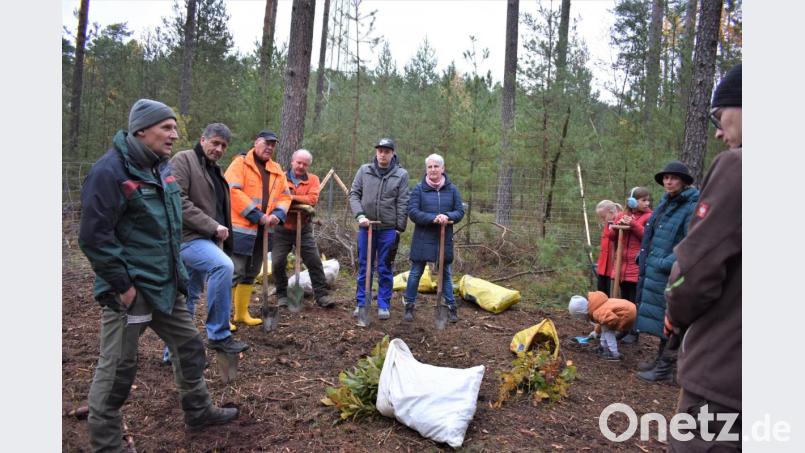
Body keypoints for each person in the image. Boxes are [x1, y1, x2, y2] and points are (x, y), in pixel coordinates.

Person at [79, 99, 237, 451]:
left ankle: (198, 411)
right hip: (131, 288)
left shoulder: (160, 169)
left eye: (174, 128)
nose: (174, 134)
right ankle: (108, 445)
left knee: (189, 345)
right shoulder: (110, 172)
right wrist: (123, 286)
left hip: (165, 284)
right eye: (166, 128)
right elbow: (94, 237)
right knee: (118, 369)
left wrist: (178, 275)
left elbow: (171, 226)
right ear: (140, 130)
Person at [664, 63, 741, 452]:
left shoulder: (740, 166)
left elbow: (691, 274)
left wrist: (675, 316)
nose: (717, 130)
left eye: (720, 115)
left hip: (726, 377)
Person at [160, 123, 248, 364]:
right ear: (203, 140)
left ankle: (175, 354)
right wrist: (213, 226)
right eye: (215, 143)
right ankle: (219, 334)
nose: (219, 149)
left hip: (205, 239)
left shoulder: (214, 169)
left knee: (187, 297)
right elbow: (178, 200)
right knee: (223, 266)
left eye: (223, 146)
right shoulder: (183, 160)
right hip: (186, 239)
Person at [634, 160, 699, 382]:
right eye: (665, 178)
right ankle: (660, 361)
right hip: (655, 268)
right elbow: (652, 234)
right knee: (664, 317)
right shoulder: (666, 202)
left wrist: (666, 262)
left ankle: (666, 369)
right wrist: (644, 256)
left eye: (673, 178)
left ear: (683, 181)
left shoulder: (691, 205)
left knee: (672, 317)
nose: (668, 181)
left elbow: (691, 241)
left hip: (671, 272)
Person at [224, 130, 292, 327]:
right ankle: (223, 317)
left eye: (273, 144)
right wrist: (257, 215)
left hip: (265, 231)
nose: (270, 147)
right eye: (266, 143)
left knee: (252, 271)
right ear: (256, 142)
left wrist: (277, 215)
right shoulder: (240, 163)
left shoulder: (277, 169)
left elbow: (285, 196)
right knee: (234, 271)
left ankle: (241, 314)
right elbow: (232, 190)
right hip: (241, 229)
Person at [348, 138, 410, 322]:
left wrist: (399, 228)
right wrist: (360, 215)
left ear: (393, 154)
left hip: (388, 229)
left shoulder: (401, 174)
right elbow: (354, 194)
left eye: (387, 151)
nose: (382, 154)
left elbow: (403, 201)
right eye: (380, 151)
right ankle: (362, 302)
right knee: (364, 266)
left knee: (385, 267)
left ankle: (383, 304)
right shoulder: (364, 170)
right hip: (366, 227)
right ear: (376, 152)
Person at [403, 154, 465, 322]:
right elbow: (413, 212)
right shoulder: (418, 189)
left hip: (443, 238)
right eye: (430, 167)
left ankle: (451, 307)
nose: (433, 170)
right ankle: (409, 305)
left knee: (445, 272)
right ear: (426, 170)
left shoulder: (452, 190)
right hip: (423, 238)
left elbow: (460, 211)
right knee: (416, 272)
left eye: (436, 166)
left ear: (443, 169)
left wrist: (446, 215)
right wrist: (433, 218)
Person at [272, 149, 335, 308]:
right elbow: (276, 198)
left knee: (314, 261)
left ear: (308, 166)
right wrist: (299, 202)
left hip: (303, 228)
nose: (301, 166)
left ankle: (321, 295)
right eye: (298, 162)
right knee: (278, 262)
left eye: (305, 164)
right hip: (282, 227)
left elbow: (312, 199)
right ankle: (282, 294)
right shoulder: (280, 177)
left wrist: (289, 198)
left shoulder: (313, 179)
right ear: (292, 162)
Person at [608, 187, 652, 344]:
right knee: (624, 300)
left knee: (634, 302)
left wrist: (633, 225)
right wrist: (617, 224)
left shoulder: (649, 217)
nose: (647, 203)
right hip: (621, 267)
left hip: (635, 265)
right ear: (633, 201)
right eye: (643, 200)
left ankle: (634, 332)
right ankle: (624, 329)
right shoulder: (622, 215)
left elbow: (646, 237)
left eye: (648, 200)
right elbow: (611, 236)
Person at [568, 291, 636, 361]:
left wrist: (610, 327)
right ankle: (603, 347)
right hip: (629, 308)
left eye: (579, 317)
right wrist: (596, 332)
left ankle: (614, 354)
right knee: (605, 328)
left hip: (627, 313)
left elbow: (611, 319)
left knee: (608, 331)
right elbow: (602, 322)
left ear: (582, 312)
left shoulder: (597, 312)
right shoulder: (596, 305)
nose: (581, 319)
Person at [594, 200, 623, 296]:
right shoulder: (608, 224)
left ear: (611, 212)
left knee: (612, 295)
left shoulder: (620, 224)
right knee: (601, 293)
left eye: (603, 217)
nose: (602, 220)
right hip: (603, 268)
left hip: (613, 268)